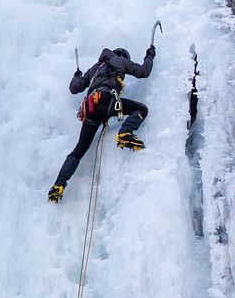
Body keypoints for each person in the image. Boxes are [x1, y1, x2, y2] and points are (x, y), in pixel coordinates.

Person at [48, 46, 155, 203]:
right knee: (141, 109)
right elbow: (143, 72)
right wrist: (149, 56)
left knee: (78, 150)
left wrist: (76, 76)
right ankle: (125, 133)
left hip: (90, 109)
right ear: (123, 55)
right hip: (106, 100)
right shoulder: (120, 60)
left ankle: (58, 185)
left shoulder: (94, 68)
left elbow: (74, 88)